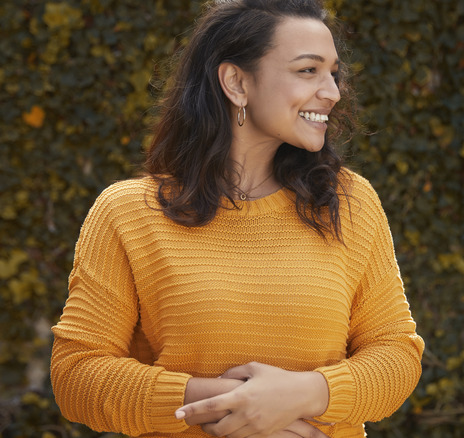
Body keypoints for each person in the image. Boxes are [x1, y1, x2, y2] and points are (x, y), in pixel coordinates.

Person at [49, 0, 424, 437]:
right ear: (236, 82)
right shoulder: (129, 212)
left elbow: (396, 353)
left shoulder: (349, 203)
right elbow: (76, 375)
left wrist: (304, 394)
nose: (333, 91)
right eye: (308, 70)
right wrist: (229, 406)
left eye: (333, 73)